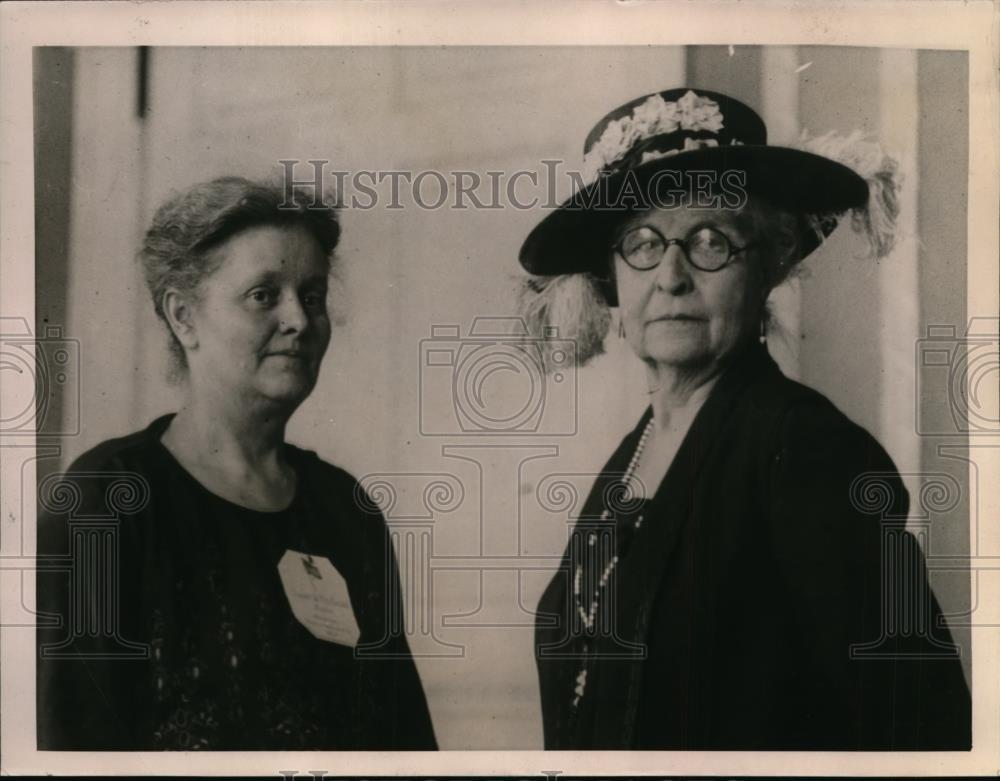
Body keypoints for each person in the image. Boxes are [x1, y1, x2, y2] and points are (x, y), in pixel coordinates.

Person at [519, 88, 971, 750]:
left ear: (770, 260)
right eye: (641, 242)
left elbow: (919, 725)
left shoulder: (804, 445)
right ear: (611, 278)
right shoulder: (631, 458)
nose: (671, 274)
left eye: (710, 240)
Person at [36, 177, 437, 750]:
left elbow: (406, 747)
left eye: (314, 295)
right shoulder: (106, 501)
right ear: (184, 318)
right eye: (263, 295)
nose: (299, 319)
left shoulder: (344, 508)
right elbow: (74, 745)